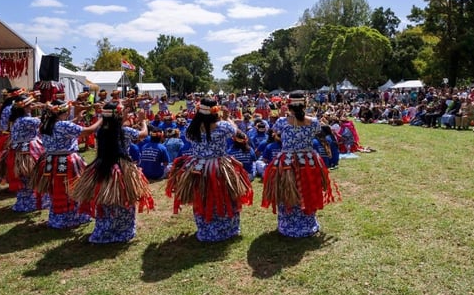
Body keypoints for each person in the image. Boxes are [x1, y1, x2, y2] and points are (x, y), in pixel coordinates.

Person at [165, 97, 253, 242]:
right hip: (219, 167)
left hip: (198, 167)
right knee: (225, 197)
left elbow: (189, 138)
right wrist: (227, 117)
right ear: (215, 111)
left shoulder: (191, 128)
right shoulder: (224, 126)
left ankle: (206, 229)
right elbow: (237, 133)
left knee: (202, 197)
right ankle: (227, 230)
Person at [71, 103, 154, 243]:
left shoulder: (101, 131)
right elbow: (143, 134)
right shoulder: (124, 131)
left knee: (105, 200)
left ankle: (105, 230)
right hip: (120, 170)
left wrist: (122, 118)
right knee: (122, 199)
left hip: (101, 168)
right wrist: (143, 121)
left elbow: (112, 127)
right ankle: (122, 231)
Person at [261, 91, 340, 237]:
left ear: (288, 105)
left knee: (287, 192)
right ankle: (307, 224)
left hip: (287, 163)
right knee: (306, 189)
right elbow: (321, 137)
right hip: (308, 162)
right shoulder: (314, 122)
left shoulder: (281, 122)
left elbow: (275, 134)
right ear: (304, 104)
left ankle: (288, 225)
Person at [31, 99, 101, 229]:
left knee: (56, 190)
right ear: (63, 112)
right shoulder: (63, 125)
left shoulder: (46, 124)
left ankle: (57, 218)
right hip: (66, 161)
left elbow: (64, 127)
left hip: (50, 161)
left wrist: (76, 119)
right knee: (70, 189)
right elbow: (88, 130)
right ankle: (71, 218)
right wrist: (101, 119)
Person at [0, 93, 47, 212]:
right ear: (24, 107)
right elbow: (46, 122)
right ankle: (30, 203)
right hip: (26, 153)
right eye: (30, 105)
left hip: (18, 151)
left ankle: (27, 202)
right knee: (29, 177)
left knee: (25, 178)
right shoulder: (26, 120)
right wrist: (48, 109)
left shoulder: (18, 119)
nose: (32, 106)